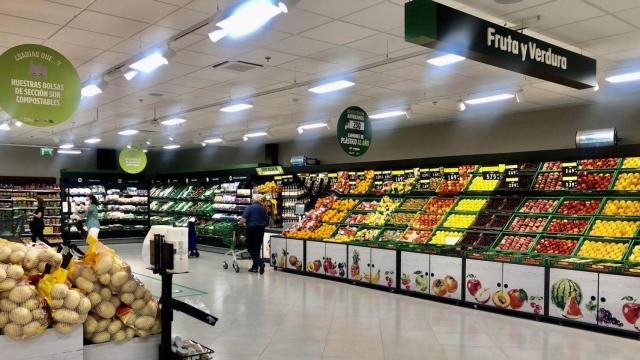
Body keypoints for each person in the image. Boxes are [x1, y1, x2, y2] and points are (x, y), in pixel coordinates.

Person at [239, 194, 268, 274]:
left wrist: (239, 222)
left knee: (250, 248)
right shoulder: (263, 208)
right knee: (257, 248)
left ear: (254, 200)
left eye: (252, 199)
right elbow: (266, 219)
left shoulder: (250, 208)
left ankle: (260, 263)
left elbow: (243, 220)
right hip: (261, 229)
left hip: (252, 229)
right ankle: (255, 267)